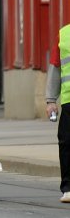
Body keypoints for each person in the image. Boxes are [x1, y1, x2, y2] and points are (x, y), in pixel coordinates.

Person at [45, 26, 70, 204]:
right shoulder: (64, 33)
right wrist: (51, 100)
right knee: (67, 144)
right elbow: (55, 67)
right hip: (69, 99)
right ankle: (68, 188)